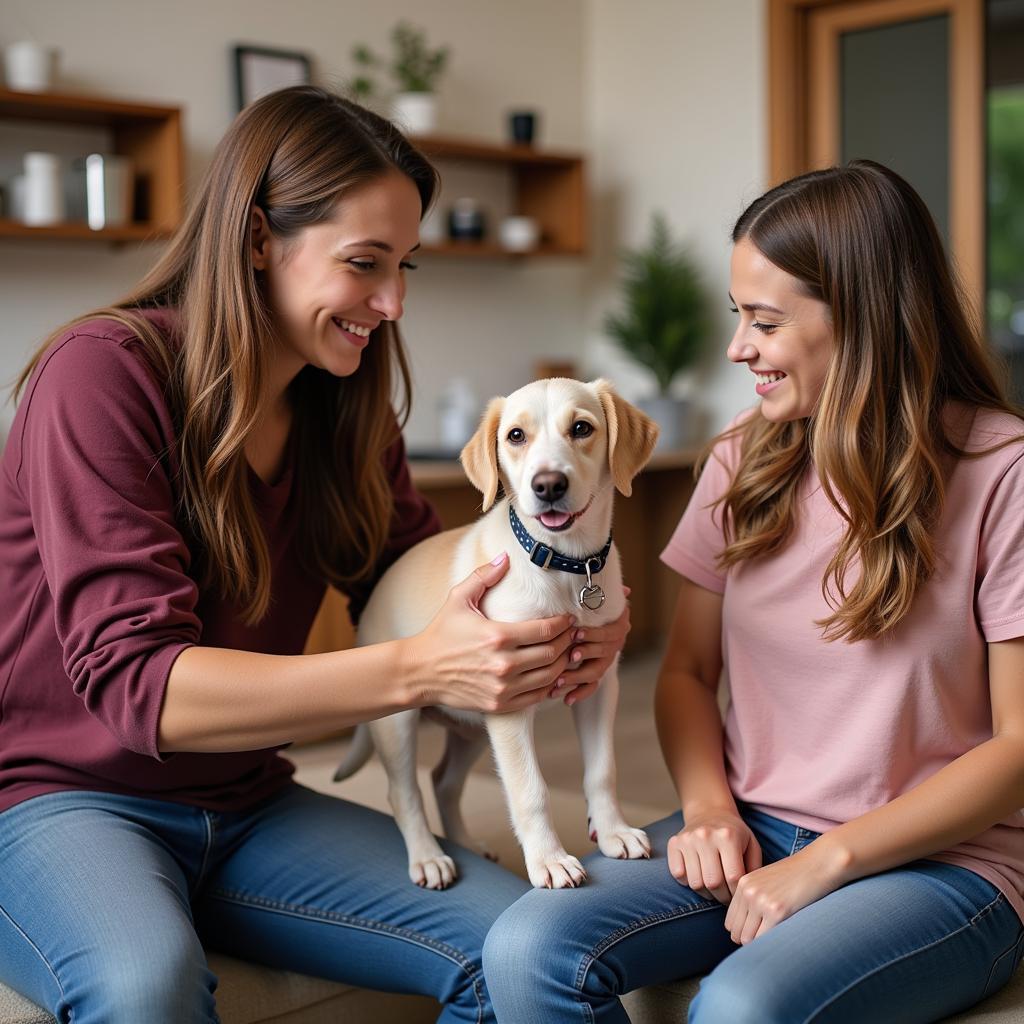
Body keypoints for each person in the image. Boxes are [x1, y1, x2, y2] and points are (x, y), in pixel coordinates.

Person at [0, 85, 629, 1024]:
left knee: (539, 953)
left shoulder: (342, 408)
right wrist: (419, 665)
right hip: (59, 798)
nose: (395, 302)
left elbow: (418, 572)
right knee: (144, 985)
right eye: (366, 264)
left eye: (405, 265)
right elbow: (141, 687)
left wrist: (561, 621)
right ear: (260, 240)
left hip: (247, 801)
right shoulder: (102, 376)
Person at [482, 159, 1024, 1023]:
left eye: (764, 322)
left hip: (946, 867)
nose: (738, 348)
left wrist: (828, 861)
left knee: (742, 1008)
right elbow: (688, 671)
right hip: (755, 825)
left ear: (862, 319)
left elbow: (1018, 747)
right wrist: (704, 808)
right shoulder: (746, 452)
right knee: (525, 948)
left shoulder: (1003, 471)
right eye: (740, 317)